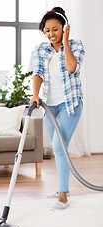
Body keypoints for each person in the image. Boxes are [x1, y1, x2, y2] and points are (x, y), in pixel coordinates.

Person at [29, 7, 85, 210]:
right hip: (49, 106)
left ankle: (63, 196)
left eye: (55, 29)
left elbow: (71, 68)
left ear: (64, 28)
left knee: (60, 148)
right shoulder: (41, 49)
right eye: (47, 31)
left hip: (70, 105)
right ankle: (63, 188)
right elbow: (38, 73)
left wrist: (67, 42)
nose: (51, 34)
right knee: (57, 147)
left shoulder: (77, 45)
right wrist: (35, 94)